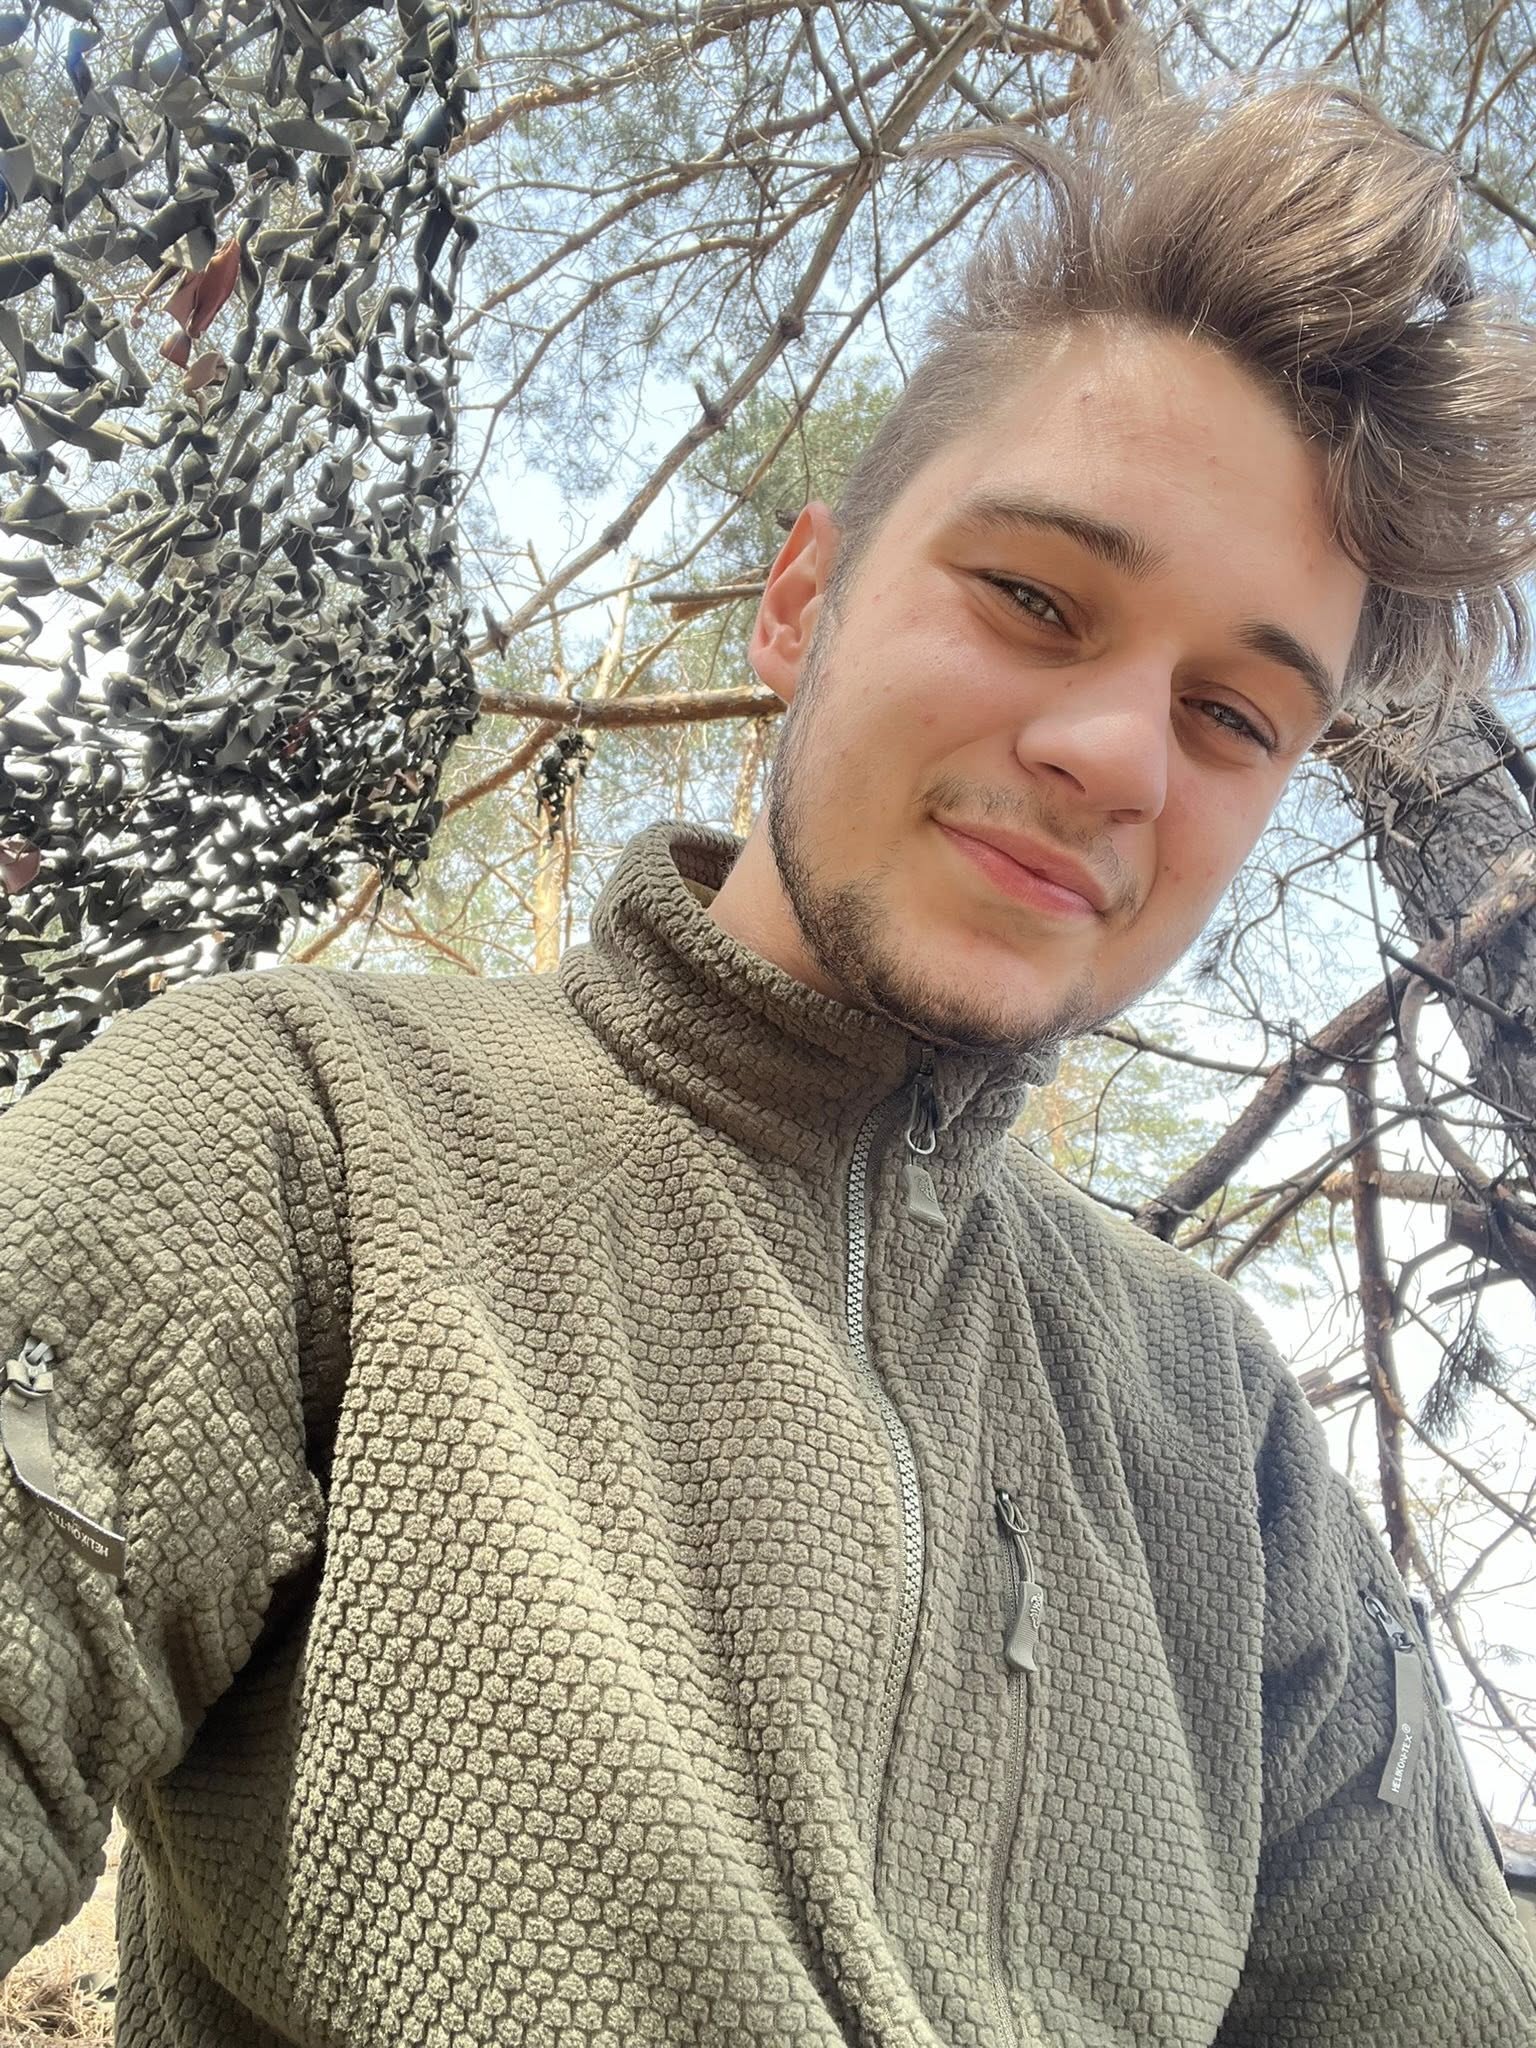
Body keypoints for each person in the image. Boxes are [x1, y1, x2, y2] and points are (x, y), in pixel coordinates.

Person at [3, 46, 1535, 2048]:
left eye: (1235, 717)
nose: (1115, 755)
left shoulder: (1219, 1435)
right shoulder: (293, 1139)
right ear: (800, 602)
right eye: (1035, 596)